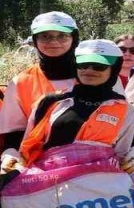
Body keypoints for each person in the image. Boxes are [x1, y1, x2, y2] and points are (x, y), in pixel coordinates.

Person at [5, 41, 134, 205]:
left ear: (113, 69)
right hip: (49, 188)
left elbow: (124, 154)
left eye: (99, 66)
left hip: (100, 192)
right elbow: (30, 145)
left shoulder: (125, 110)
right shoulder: (50, 102)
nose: (89, 70)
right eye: (83, 65)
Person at [1, 12, 83, 152]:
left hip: (98, 160)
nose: (53, 42)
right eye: (45, 36)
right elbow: (14, 132)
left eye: (62, 36)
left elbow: (121, 116)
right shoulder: (21, 82)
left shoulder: (102, 74)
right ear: (35, 40)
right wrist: (11, 153)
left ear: (73, 38)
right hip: (39, 162)